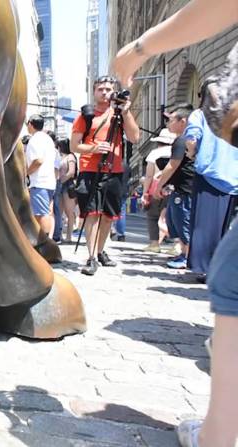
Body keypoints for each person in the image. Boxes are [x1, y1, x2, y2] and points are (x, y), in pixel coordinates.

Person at [113, 2, 238, 445]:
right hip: (217, 185)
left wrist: (137, 50)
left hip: (208, 186)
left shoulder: (192, 131)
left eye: (172, 118)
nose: (171, 122)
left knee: (228, 278)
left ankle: (220, 434)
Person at [70, 76, 141, 276]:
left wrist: (125, 112)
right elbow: (74, 146)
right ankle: (91, 257)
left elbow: (135, 137)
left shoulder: (120, 115)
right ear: (94, 92)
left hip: (115, 170)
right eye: (100, 89)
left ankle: (101, 251)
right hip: (90, 169)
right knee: (91, 214)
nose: (104, 92)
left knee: (109, 216)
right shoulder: (86, 115)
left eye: (108, 89)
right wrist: (93, 148)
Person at [183, 88, 238, 282]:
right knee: (226, 229)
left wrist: (192, 152)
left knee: (206, 227)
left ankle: (208, 268)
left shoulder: (200, 114)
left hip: (210, 173)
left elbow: (191, 138)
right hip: (233, 176)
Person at [154, 104, 196, 268]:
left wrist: (159, 186)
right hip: (184, 188)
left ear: (182, 121)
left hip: (185, 190)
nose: (168, 124)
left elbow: (173, 165)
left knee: (183, 221)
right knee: (175, 220)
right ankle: (184, 253)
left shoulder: (181, 140)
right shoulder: (186, 139)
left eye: (171, 120)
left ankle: (187, 256)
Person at [140, 128, 174, 253]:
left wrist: (145, 192)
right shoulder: (177, 152)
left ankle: (154, 244)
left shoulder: (154, 153)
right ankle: (177, 245)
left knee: (153, 216)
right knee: (173, 216)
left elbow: (149, 175)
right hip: (172, 187)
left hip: (156, 186)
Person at [24, 114, 58, 238]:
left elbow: (38, 160)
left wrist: (26, 173)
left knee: (41, 214)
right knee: (45, 212)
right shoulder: (47, 138)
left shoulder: (35, 139)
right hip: (48, 181)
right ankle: (43, 240)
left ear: (30, 124)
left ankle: (44, 242)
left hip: (39, 182)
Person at [56, 138, 78, 243]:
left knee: (69, 213)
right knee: (59, 212)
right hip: (60, 186)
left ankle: (69, 236)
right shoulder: (61, 157)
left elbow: (71, 172)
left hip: (67, 186)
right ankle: (59, 235)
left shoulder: (70, 157)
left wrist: (61, 180)